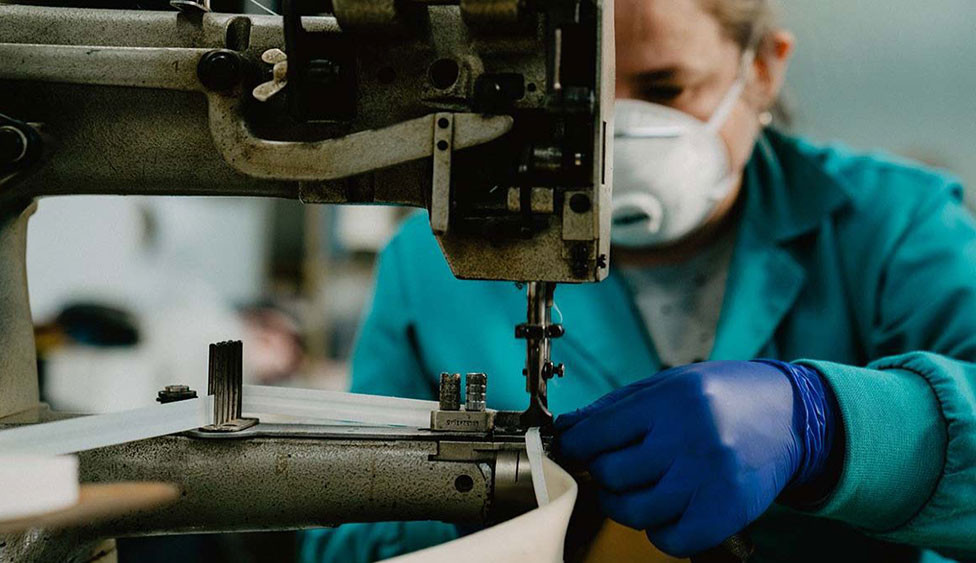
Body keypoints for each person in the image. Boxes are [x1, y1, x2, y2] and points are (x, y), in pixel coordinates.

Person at [302, 0, 976, 561]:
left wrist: (826, 424)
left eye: (664, 89)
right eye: (577, 96)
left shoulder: (897, 223)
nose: (611, 134)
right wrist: (491, 511)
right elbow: (345, 538)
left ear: (763, 68)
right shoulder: (430, 260)